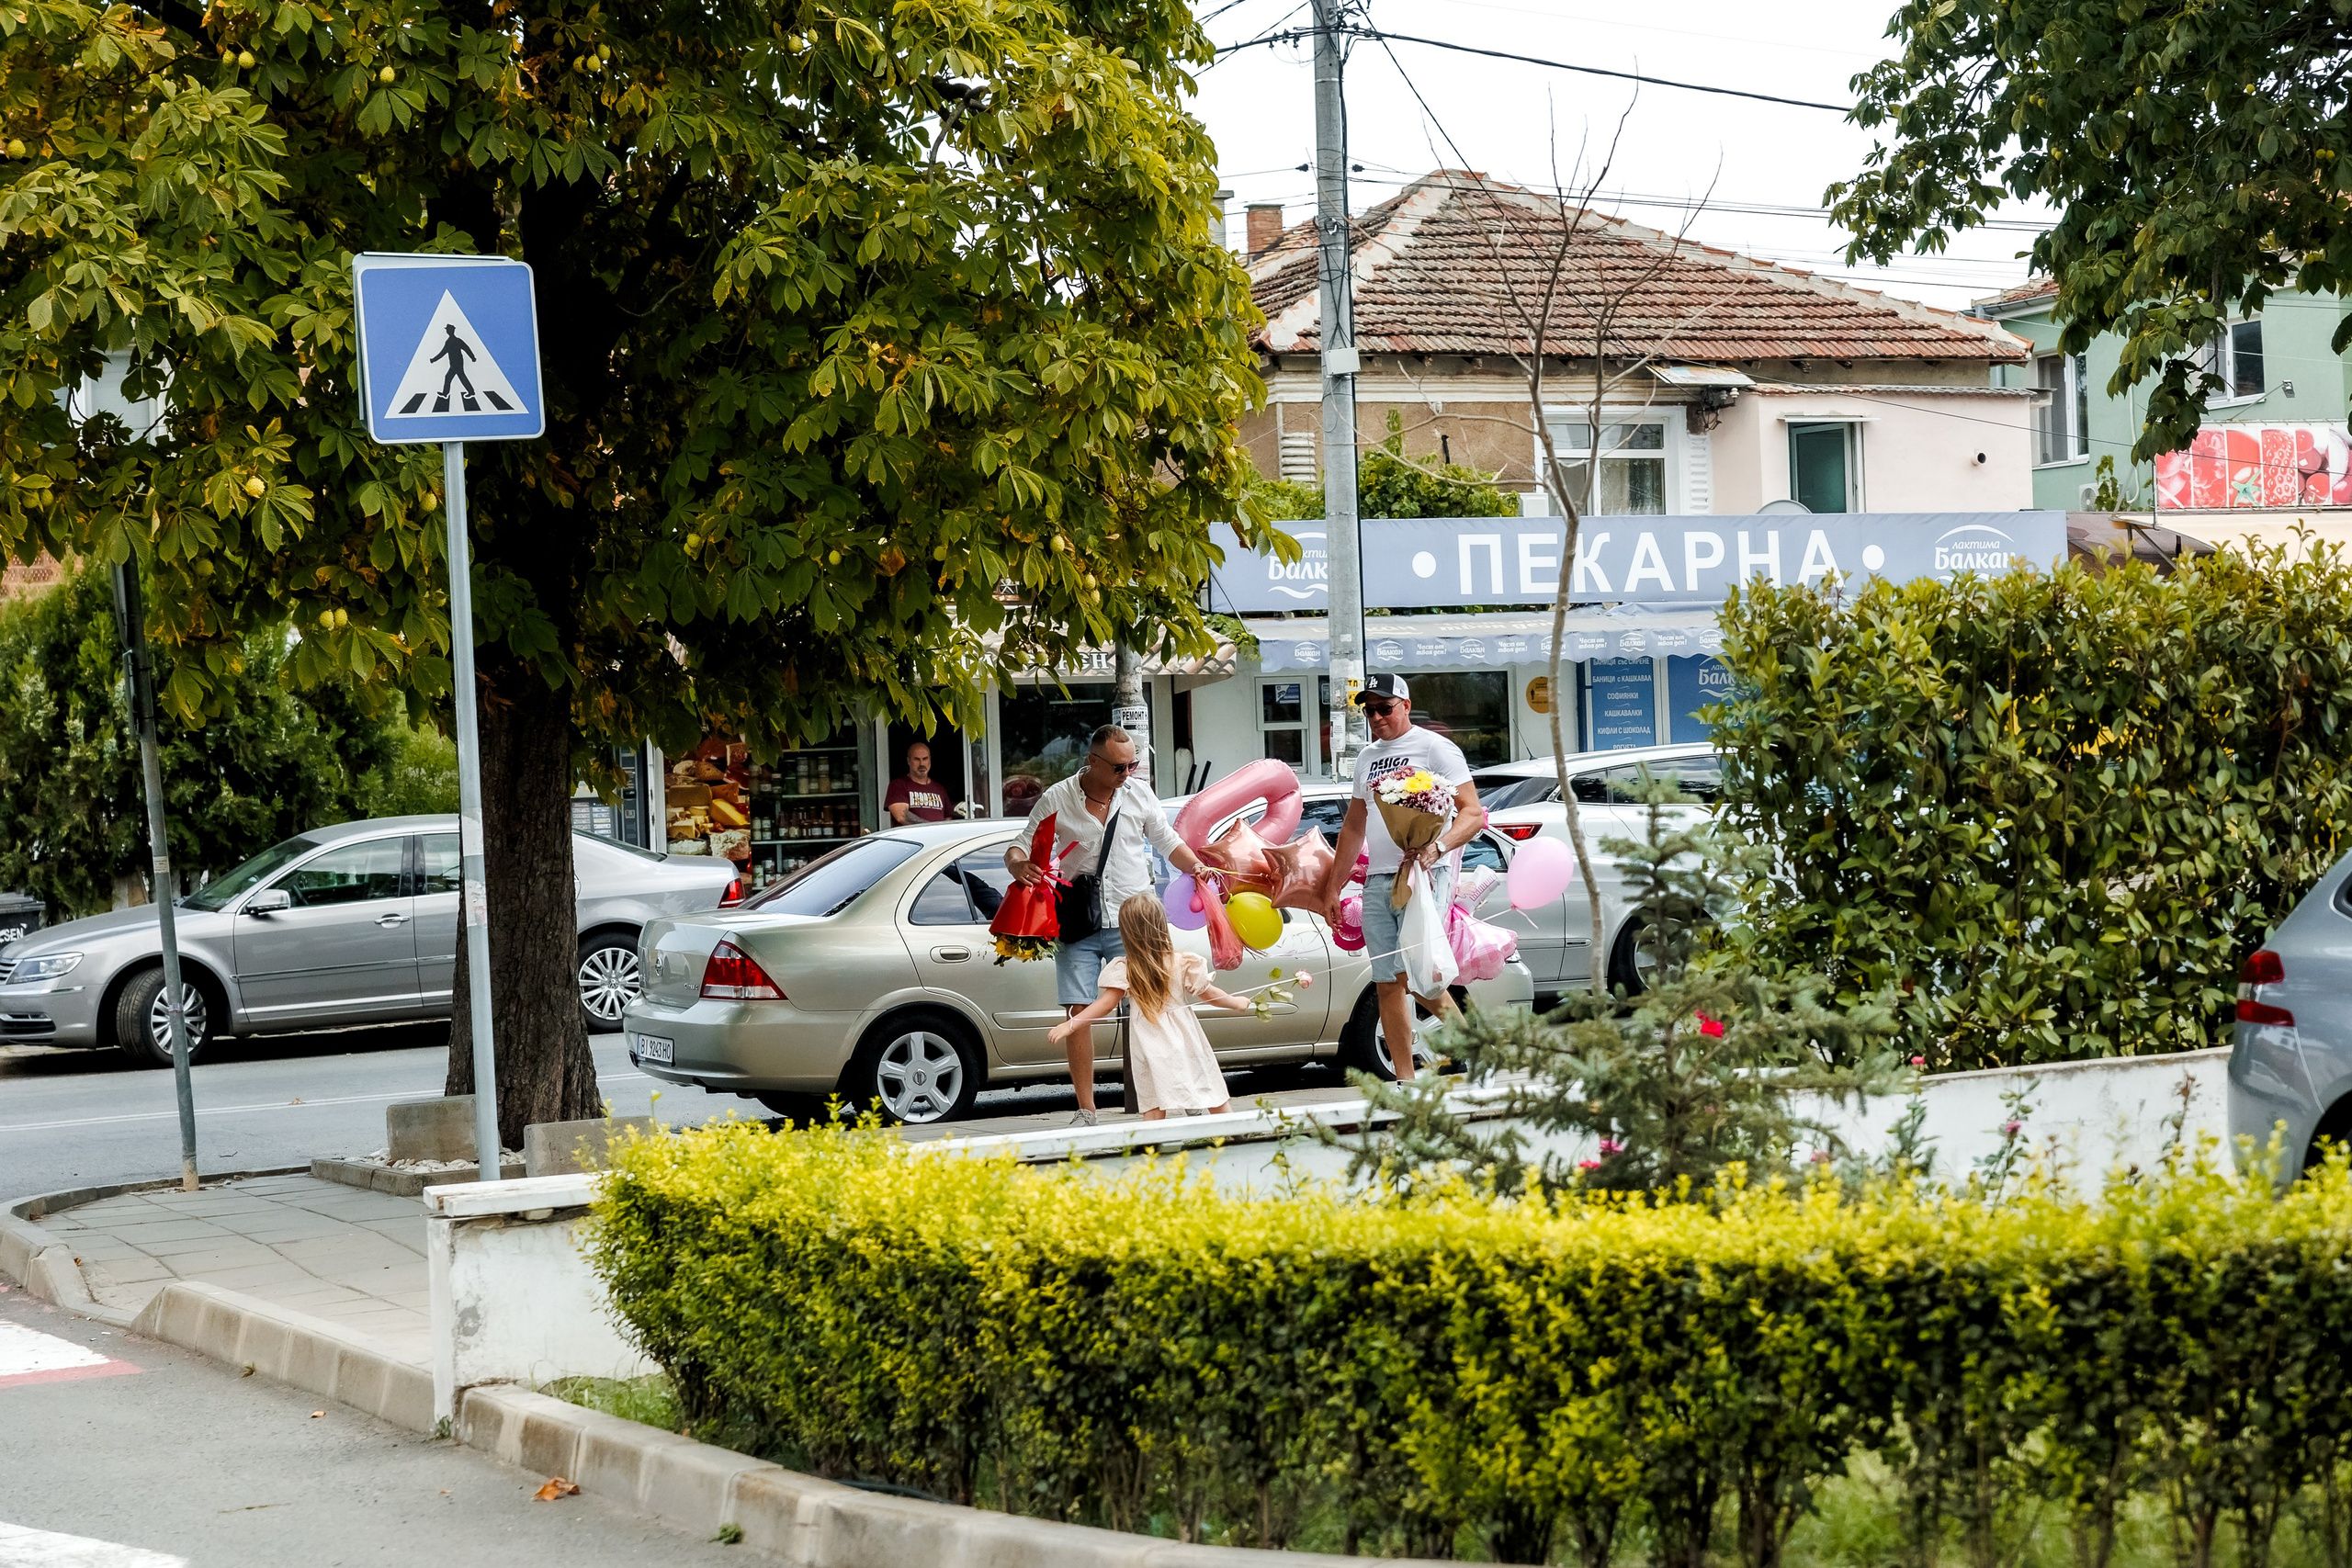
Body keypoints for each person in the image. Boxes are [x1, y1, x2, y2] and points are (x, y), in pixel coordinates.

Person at [1007, 725, 1210, 1124]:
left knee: (1159, 1005)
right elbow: (1020, 844)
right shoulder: (1058, 798)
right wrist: (1018, 865)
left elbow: (1167, 841)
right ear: (1092, 761)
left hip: (1134, 918)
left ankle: (1185, 1094)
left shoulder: (1138, 794)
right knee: (1078, 1012)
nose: (1127, 773)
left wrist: (1197, 867)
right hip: (1078, 920)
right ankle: (1086, 1109)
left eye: (1132, 765)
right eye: (1119, 767)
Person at [1318, 673, 1486, 1081]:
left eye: (1384, 708)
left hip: (1425, 875)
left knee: (1415, 976)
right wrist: (1334, 887)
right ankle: (1405, 1080)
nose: (1376, 717)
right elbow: (1353, 827)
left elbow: (1472, 813)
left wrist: (1437, 848)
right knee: (1388, 982)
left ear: (1406, 706)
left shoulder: (1434, 747)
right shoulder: (1366, 758)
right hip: (1378, 879)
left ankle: (1477, 1050)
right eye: (1369, 710)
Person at [1047, 894, 1246, 1119]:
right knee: (1207, 1085)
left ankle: (1153, 1136)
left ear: (1126, 932)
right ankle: (1233, 1128)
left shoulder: (1126, 968)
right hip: (1185, 1036)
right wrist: (1236, 1003)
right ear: (1161, 926)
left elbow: (1105, 1004)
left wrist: (1071, 1024)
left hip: (1148, 1042)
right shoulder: (1182, 962)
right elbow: (1209, 994)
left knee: (1152, 1097)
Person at [885, 741, 951, 825]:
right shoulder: (898, 785)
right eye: (917, 759)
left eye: (925, 759)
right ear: (908, 761)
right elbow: (901, 816)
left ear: (930, 760)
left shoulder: (939, 788)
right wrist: (931, 828)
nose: (921, 764)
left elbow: (948, 817)